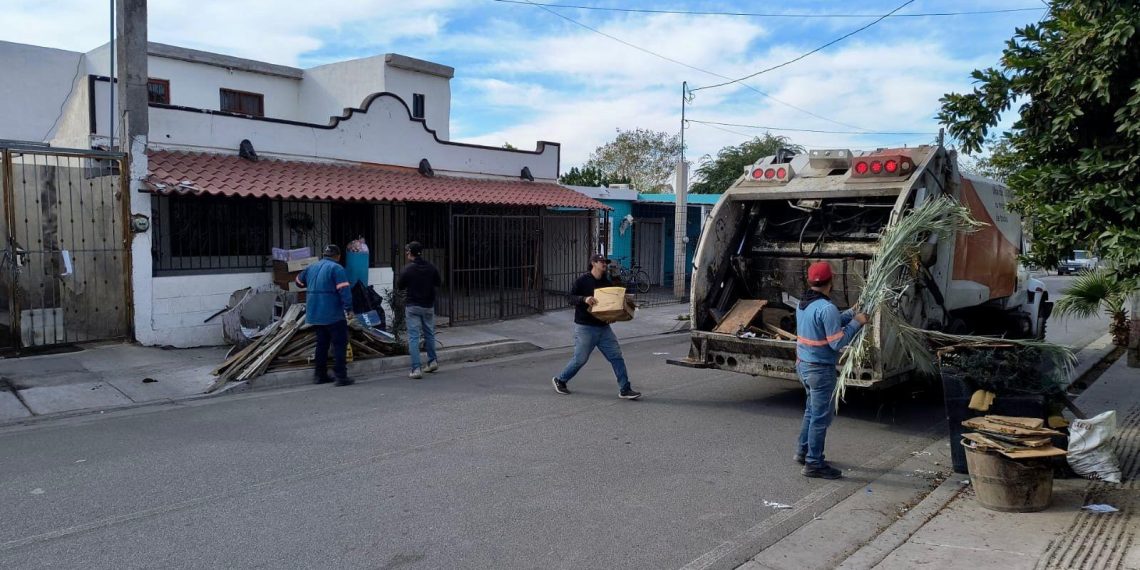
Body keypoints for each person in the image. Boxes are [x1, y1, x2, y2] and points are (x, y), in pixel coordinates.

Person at [794, 261, 869, 479]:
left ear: (810, 281)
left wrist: (852, 313)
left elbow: (831, 321)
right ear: (832, 281)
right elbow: (836, 342)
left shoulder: (804, 303)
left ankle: (803, 451)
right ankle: (814, 464)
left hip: (804, 366)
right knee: (820, 417)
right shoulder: (826, 308)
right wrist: (857, 323)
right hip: (820, 371)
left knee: (811, 411)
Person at [551, 253, 641, 400]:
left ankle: (625, 389)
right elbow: (570, 298)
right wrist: (584, 299)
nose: (604, 264)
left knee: (616, 357)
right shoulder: (582, 280)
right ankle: (560, 380)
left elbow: (611, 303)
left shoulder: (606, 282)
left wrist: (612, 317)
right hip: (585, 327)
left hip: (603, 328)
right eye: (601, 262)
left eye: (605, 262)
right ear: (593, 263)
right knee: (580, 359)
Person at [295, 244, 355, 387]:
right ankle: (341, 376)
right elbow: (344, 290)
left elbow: (298, 282)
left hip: (315, 313)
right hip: (333, 314)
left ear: (324, 255)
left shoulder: (311, 267)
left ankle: (320, 375)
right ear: (338, 256)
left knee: (322, 345)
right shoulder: (337, 268)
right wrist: (349, 309)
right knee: (340, 344)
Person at [397, 241, 441, 379]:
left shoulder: (408, 269)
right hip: (428, 306)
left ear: (410, 253)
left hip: (413, 306)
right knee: (429, 334)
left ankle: (416, 369)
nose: (406, 253)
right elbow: (438, 283)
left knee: (414, 337)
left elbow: (400, 286)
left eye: (407, 251)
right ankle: (432, 361)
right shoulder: (431, 267)